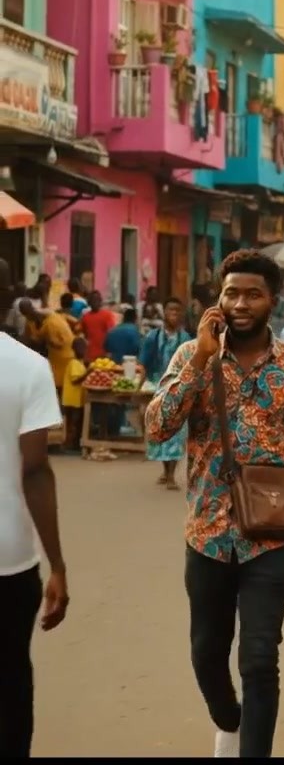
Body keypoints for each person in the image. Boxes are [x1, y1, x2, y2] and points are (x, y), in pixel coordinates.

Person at [145, 249, 284, 759]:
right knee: (207, 655)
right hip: (206, 535)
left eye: (252, 293)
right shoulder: (191, 356)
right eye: (231, 293)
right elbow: (157, 426)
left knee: (258, 658)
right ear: (218, 299)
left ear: (273, 299)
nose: (240, 303)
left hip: (271, 537)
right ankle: (230, 723)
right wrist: (203, 358)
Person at [0, 259, 69, 757]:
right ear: (9, 297)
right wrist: (59, 566)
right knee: (9, 680)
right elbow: (36, 470)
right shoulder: (27, 366)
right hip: (10, 559)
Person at [140, 298, 190, 491]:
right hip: (157, 388)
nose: (174, 314)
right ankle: (165, 469)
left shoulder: (186, 339)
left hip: (179, 389)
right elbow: (143, 363)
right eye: (171, 310)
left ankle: (171, 475)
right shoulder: (153, 337)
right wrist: (138, 386)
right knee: (160, 431)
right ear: (165, 313)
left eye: (178, 310)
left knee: (177, 433)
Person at [20, 301, 75, 396]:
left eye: (27, 311)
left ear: (31, 308)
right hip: (42, 354)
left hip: (58, 354)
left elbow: (65, 325)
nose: (26, 315)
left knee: (61, 382)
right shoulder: (29, 322)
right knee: (52, 382)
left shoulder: (48, 316)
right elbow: (27, 338)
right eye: (24, 313)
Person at [62, 337, 90, 454]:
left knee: (77, 422)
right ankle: (70, 445)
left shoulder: (80, 363)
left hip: (78, 399)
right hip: (72, 399)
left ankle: (74, 444)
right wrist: (89, 372)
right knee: (73, 423)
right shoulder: (73, 363)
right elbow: (75, 380)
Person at [81, 290, 115, 362]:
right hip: (90, 356)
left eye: (97, 300)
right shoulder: (85, 317)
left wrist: (110, 351)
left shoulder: (107, 315)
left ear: (100, 301)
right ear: (89, 302)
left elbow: (111, 334)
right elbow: (85, 335)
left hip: (104, 355)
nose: (95, 302)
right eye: (93, 300)